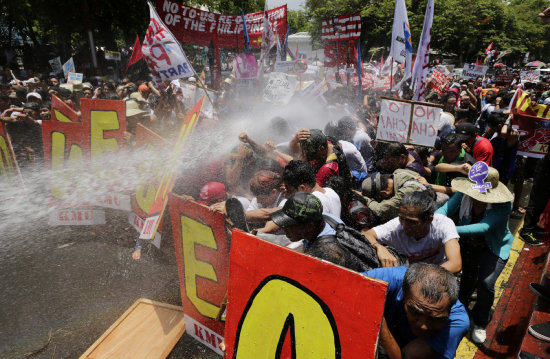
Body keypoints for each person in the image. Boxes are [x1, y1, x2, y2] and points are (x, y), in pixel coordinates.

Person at [436, 165, 514, 344]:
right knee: (466, 281)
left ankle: (480, 321)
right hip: (469, 244)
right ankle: (459, 311)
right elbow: (446, 209)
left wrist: (448, 228)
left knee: (486, 284)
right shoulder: (464, 194)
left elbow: (484, 227)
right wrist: (435, 219)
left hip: (493, 247)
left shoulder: (504, 204)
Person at [365, 263, 469, 359]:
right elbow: (351, 286)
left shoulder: (457, 322)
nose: (423, 326)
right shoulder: (390, 278)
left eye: (436, 319)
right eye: (416, 312)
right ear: (405, 292)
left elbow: (406, 357)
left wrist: (378, 321)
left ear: (450, 308)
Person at [362, 191, 462, 273]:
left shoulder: (443, 224)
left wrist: (420, 277)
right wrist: (379, 247)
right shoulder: (394, 226)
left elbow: (455, 264)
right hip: (406, 272)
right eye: (401, 218)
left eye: (412, 222)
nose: (404, 225)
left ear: (429, 220)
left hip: (437, 270)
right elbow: (366, 234)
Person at [362, 169, 426, 225]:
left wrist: (363, 198)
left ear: (384, 193)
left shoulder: (406, 192)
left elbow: (380, 210)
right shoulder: (399, 172)